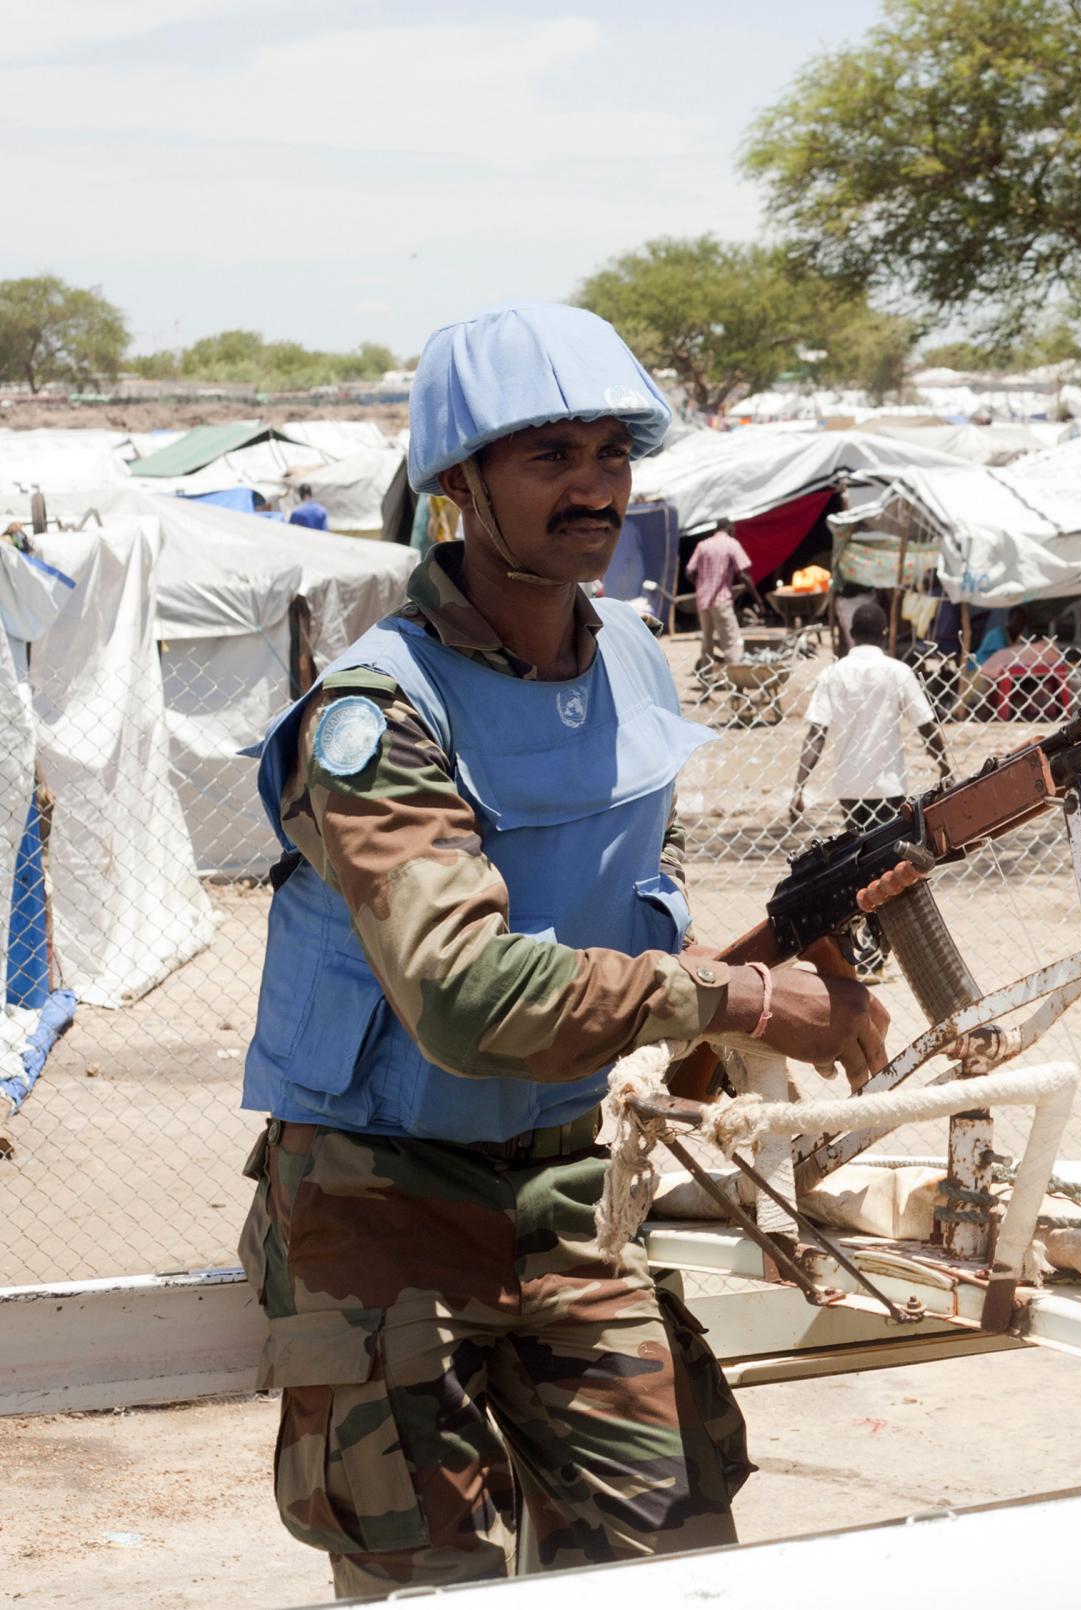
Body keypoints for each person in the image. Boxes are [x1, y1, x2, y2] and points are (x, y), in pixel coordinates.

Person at [236, 302, 917, 1596]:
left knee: (671, 1539)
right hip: (374, 1204)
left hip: (562, 1181)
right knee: (428, 1572)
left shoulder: (636, 674)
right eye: (548, 455)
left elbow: (632, 916)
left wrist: (774, 962)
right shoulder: (379, 716)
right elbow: (464, 996)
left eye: (611, 453)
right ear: (458, 483)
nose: (593, 486)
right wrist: (747, 997)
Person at [790, 601, 951, 974]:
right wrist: (943, 765)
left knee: (856, 869)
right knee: (891, 868)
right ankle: (881, 953)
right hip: (889, 786)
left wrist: (800, 786)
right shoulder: (897, 671)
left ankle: (861, 951)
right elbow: (925, 724)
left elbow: (816, 731)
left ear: (852, 634)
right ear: (882, 634)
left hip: (850, 786)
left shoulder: (834, 674)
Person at [688, 521, 761, 675]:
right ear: (730, 528)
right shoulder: (731, 544)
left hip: (703, 603)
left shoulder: (703, 545)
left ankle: (706, 685)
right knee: (731, 643)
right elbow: (743, 574)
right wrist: (758, 600)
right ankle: (736, 685)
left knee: (707, 644)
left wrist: (702, 585)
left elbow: (689, 571)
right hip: (721, 601)